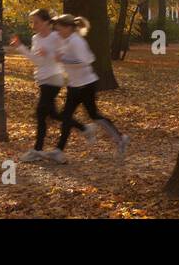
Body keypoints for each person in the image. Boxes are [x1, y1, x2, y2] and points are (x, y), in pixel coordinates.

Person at [9, 8, 95, 162]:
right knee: (52, 114)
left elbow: (63, 55)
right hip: (42, 78)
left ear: (47, 22)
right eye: (32, 22)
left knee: (41, 111)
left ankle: (37, 150)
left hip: (55, 77)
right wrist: (21, 47)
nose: (33, 25)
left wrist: (49, 55)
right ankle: (84, 128)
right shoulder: (36, 38)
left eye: (36, 22)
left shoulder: (57, 36)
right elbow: (37, 61)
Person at [44, 14, 129, 163]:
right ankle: (59, 150)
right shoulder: (66, 40)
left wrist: (63, 59)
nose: (57, 32)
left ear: (69, 28)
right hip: (74, 85)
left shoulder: (77, 41)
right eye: (56, 30)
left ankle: (120, 138)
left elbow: (86, 61)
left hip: (86, 85)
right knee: (66, 116)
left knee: (94, 115)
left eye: (59, 29)